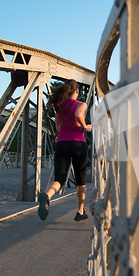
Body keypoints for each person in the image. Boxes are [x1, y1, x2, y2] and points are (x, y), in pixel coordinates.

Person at [38, 79, 91, 221]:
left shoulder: (59, 107)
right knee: (81, 181)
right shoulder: (81, 104)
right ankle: (80, 212)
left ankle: (47, 196)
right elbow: (79, 114)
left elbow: (58, 128)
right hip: (78, 144)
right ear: (77, 91)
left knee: (59, 179)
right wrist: (85, 126)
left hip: (61, 143)